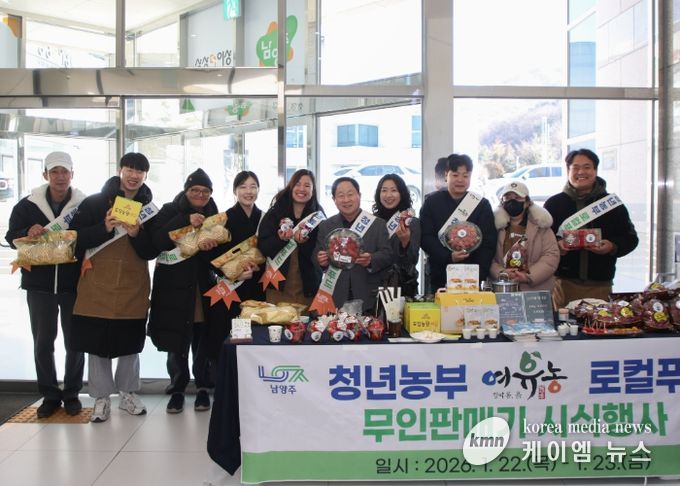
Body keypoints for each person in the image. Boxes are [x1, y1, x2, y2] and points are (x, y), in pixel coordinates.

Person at [69, 153, 159, 423]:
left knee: (130, 341)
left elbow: (153, 250)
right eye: (130, 169)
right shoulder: (94, 202)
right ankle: (100, 398)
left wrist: (136, 234)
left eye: (140, 171)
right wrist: (103, 228)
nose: (134, 175)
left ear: (145, 175)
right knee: (96, 342)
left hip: (133, 284)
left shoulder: (150, 209)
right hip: (96, 283)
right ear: (120, 170)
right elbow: (74, 238)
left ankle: (128, 393)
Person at [5, 151, 87, 418]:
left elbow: (92, 237)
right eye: (54, 172)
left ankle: (72, 393)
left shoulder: (83, 205)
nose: (60, 177)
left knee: (75, 341)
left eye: (64, 172)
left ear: (72, 174)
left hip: (73, 285)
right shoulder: (27, 205)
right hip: (39, 286)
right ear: (45, 175)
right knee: (43, 342)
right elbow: (10, 237)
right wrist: (26, 233)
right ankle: (50, 395)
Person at [148, 169, 220, 414]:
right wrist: (186, 221)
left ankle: (203, 386)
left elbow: (219, 257)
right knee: (176, 340)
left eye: (205, 191)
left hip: (202, 286)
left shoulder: (215, 216)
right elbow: (157, 242)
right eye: (195, 190)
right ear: (186, 190)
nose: (200, 194)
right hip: (173, 287)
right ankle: (177, 388)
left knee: (202, 338)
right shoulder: (170, 210)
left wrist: (210, 248)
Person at [544, 148, 639, 308]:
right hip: (563, 283)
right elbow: (541, 241)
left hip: (600, 285)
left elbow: (631, 238)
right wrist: (557, 246)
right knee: (564, 323)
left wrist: (612, 246)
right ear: (568, 171)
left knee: (600, 322)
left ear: (595, 170)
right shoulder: (554, 204)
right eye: (575, 167)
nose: (581, 172)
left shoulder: (611, 204)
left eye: (587, 167)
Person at [205, 171, 265, 362]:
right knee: (227, 341)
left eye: (253, 187)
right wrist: (234, 274)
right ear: (235, 191)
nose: (249, 191)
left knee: (255, 341)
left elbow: (270, 253)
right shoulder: (223, 220)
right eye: (243, 187)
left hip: (257, 289)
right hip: (230, 290)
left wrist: (259, 268)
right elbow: (211, 257)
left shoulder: (265, 219)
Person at [420, 153, 497, 291]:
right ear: (446, 175)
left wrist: (478, 273)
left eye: (465, 176)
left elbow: (489, 242)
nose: (460, 180)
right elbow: (426, 237)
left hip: (473, 276)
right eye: (455, 175)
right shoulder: (431, 202)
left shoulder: (481, 205)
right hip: (440, 274)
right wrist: (448, 257)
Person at [314, 177, 392, 312]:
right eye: (341, 195)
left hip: (367, 295)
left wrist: (371, 260)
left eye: (350, 194)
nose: (346, 200)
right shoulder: (326, 226)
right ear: (334, 199)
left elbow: (388, 254)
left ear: (359, 195)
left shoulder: (377, 224)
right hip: (335, 296)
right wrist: (321, 261)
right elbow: (316, 255)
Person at [258, 169, 324, 307]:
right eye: (298, 184)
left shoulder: (318, 216)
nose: (302, 189)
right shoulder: (275, 212)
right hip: (277, 286)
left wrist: (304, 243)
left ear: (313, 190)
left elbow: (322, 253)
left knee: (304, 320)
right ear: (291, 186)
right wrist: (280, 240)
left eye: (307, 185)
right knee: (277, 319)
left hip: (307, 287)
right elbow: (263, 247)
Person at [489, 181, 559, 291]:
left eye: (517, 197)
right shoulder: (494, 227)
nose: (512, 201)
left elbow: (551, 255)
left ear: (527, 202)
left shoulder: (541, 226)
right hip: (502, 288)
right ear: (502, 201)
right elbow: (487, 255)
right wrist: (501, 272)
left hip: (536, 291)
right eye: (508, 197)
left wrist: (528, 275)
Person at [372, 173, 421, 297]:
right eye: (384, 190)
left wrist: (405, 243)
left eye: (394, 190)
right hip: (373, 285)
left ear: (402, 193)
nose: (388, 195)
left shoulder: (411, 222)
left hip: (402, 286)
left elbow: (413, 260)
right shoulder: (371, 221)